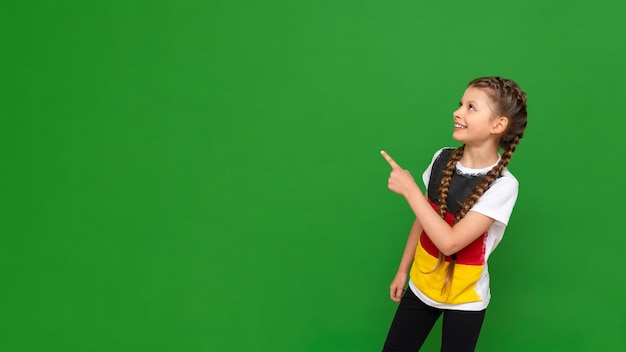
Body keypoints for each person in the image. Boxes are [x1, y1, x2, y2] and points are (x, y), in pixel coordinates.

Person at [379, 76, 528, 351]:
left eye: (471, 107)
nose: (457, 112)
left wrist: (410, 189)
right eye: (461, 104)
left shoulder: (504, 185)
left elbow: (450, 242)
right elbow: (424, 219)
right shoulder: (442, 158)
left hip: (466, 299)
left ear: (498, 125)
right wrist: (403, 270)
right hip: (421, 286)